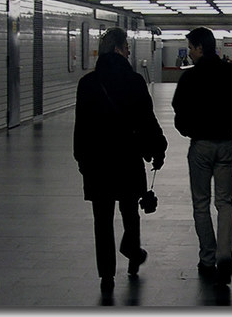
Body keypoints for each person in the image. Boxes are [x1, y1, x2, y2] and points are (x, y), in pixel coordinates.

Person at [73, 27, 168, 294]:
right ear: (117, 48)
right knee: (129, 211)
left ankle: (106, 275)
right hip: (127, 159)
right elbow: (146, 120)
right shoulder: (134, 81)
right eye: (126, 46)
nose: (128, 50)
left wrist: (81, 158)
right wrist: (157, 149)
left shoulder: (88, 83)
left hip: (97, 163)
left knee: (101, 219)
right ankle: (132, 251)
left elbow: (81, 126)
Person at [171, 27, 232, 286]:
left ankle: (208, 257)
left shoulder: (190, 79)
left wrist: (189, 130)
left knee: (201, 204)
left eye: (191, 48)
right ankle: (225, 253)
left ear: (201, 47)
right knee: (224, 202)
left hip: (201, 145)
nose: (189, 53)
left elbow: (178, 109)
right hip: (226, 143)